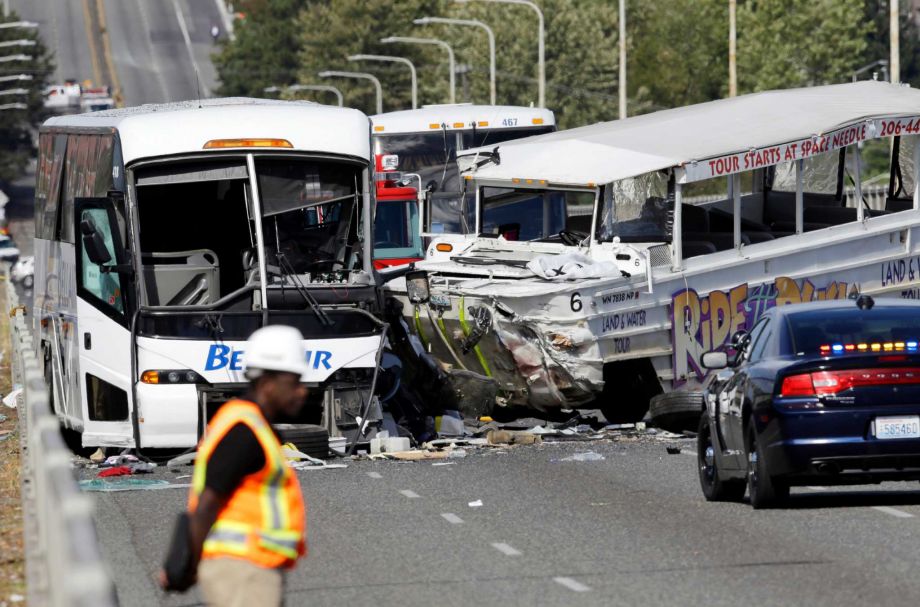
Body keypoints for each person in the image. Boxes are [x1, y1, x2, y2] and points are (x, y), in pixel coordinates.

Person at [160, 325, 310, 606]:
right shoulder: (245, 431)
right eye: (295, 382)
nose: (302, 391)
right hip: (241, 569)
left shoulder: (248, 423)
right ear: (267, 383)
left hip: (246, 566)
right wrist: (187, 565)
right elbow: (208, 502)